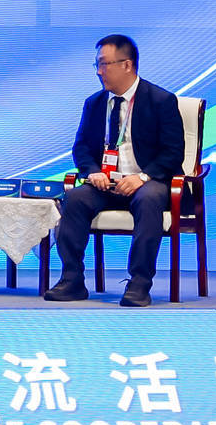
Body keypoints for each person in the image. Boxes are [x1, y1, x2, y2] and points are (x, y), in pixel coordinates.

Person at [46, 33, 187, 307]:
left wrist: (142, 177)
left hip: (147, 182)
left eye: (104, 64)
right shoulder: (95, 103)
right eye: (97, 65)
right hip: (105, 184)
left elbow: (173, 153)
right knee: (75, 198)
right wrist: (92, 171)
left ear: (127, 65)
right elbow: (81, 147)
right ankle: (72, 280)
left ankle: (139, 284)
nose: (99, 71)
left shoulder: (161, 101)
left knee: (149, 199)